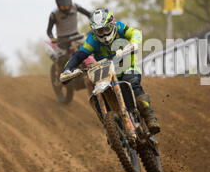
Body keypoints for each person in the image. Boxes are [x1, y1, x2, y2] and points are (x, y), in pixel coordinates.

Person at [60, 7, 161, 135]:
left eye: (106, 29)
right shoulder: (92, 39)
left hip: (127, 65)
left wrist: (134, 43)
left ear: (112, 25)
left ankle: (150, 118)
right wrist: (67, 70)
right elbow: (79, 55)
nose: (103, 34)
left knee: (133, 83)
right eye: (99, 31)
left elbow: (135, 32)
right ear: (94, 31)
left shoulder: (119, 27)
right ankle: (112, 130)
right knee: (97, 94)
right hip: (106, 72)